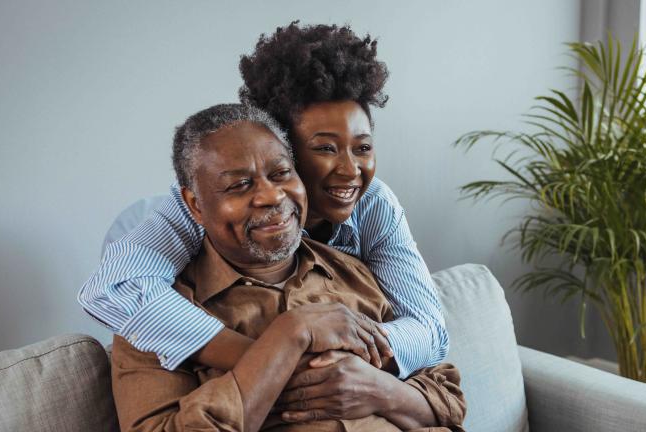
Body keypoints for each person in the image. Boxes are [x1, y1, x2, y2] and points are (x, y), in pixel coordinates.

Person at [79, 22, 447, 379]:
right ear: (280, 147)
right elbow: (114, 287)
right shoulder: (200, 208)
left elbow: (430, 329)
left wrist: (347, 363)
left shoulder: (374, 203)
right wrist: (274, 361)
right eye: (325, 148)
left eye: (363, 147)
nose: (351, 171)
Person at [111, 103, 465, 432]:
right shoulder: (151, 321)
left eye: (281, 173)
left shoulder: (351, 270)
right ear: (195, 205)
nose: (272, 196)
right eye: (240, 184)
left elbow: (448, 401)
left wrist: (378, 390)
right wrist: (289, 336)